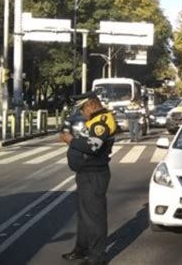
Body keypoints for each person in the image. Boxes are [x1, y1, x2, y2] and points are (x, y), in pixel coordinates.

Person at [59, 91, 117, 265]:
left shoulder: (102, 122)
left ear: (91, 105)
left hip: (94, 174)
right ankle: (82, 248)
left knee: (94, 217)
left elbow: (93, 146)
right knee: (84, 216)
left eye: (82, 109)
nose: (82, 114)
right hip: (86, 173)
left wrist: (70, 140)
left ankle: (96, 257)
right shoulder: (94, 121)